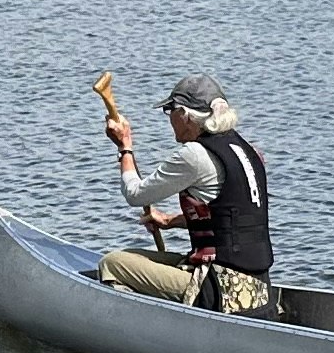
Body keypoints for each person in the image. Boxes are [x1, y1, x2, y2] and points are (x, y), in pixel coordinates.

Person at [97, 72, 277, 315]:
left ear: (185, 115)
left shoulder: (194, 155)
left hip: (221, 290)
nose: (169, 118)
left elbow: (136, 194)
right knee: (138, 259)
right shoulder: (248, 151)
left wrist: (124, 146)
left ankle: (149, 336)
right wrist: (170, 220)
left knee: (112, 265)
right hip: (259, 289)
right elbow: (231, 220)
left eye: (170, 110)